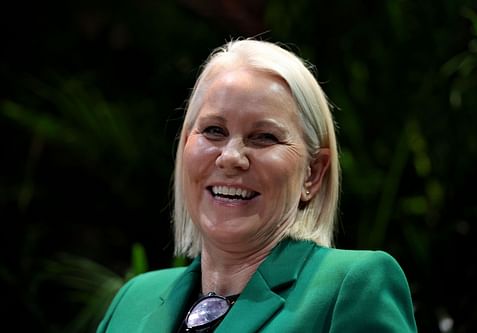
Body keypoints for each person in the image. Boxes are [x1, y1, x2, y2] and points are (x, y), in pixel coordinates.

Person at [97, 39, 418, 333]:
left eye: (264, 137)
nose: (231, 157)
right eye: (213, 131)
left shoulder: (352, 286)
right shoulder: (132, 300)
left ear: (313, 173)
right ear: (184, 146)